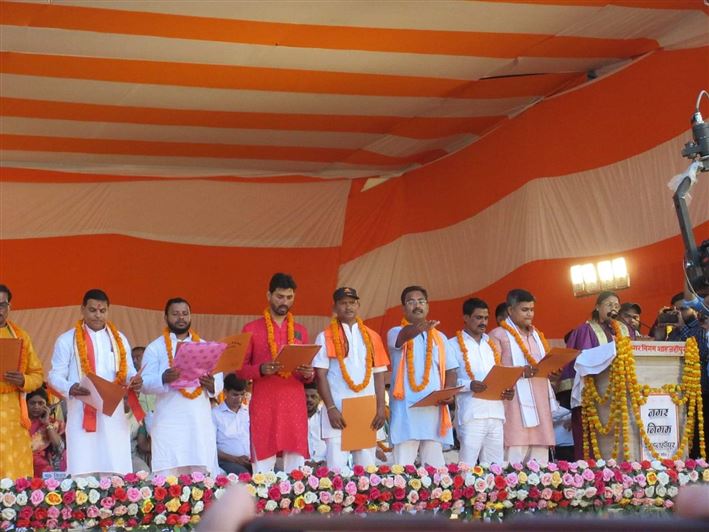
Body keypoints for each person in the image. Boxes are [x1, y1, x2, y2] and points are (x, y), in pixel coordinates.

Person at [48, 289, 141, 476]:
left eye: (102, 310)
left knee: (115, 468)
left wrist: (134, 380)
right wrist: (70, 387)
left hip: (113, 413)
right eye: (92, 310)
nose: (98, 315)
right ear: (82, 309)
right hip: (82, 410)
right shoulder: (67, 340)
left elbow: (128, 370)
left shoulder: (119, 339)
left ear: (108, 310)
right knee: (84, 468)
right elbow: (54, 375)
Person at [236, 273, 314, 473]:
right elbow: (240, 370)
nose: (284, 302)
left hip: (294, 404)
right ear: (268, 295)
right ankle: (263, 504)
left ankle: (296, 505)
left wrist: (308, 373)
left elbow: (308, 374)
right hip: (265, 404)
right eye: (280, 296)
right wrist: (260, 369)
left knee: (296, 466)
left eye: (289, 297)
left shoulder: (300, 330)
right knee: (263, 466)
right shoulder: (251, 329)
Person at [142, 297, 222, 476]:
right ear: (166, 317)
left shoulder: (205, 346)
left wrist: (212, 385)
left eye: (185, 314)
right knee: (168, 477)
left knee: (200, 477)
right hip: (169, 423)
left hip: (198, 423)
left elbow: (219, 382)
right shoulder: (155, 348)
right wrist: (163, 378)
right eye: (175, 314)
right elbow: (145, 384)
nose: (181, 318)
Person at [313, 287, 389, 469]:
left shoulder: (373, 336)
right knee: (336, 471)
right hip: (338, 411)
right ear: (335, 307)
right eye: (343, 303)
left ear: (358, 305)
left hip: (366, 411)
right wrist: (331, 408)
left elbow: (379, 374)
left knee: (367, 472)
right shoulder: (325, 337)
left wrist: (380, 408)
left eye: (352, 302)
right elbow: (320, 376)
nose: (348, 307)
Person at [387, 286, 458, 467]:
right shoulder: (395, 331)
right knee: (402, 467)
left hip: (433, 409)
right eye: (411, 302)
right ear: (403, 309)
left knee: (435, 468)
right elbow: (404, 335)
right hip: (406, 410)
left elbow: (451, 369)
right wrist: (420, 328)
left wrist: (448, 393)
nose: (417, 305)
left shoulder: (440, 336)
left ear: (427, 306)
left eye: (421, 301)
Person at [563, 291, 634, 459]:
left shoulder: (625, 330)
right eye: (609, 305)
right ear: (597, 307)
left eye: (616, 306)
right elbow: (580, 359)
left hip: (621, 395)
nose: (613, 308)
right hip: (593, 395)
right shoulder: (585, 330)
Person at [489, 289, 556, 464]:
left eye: (532, 309)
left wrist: (552, 369)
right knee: (513, 460)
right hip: (514, 406)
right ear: (510, 310)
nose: (529, 314)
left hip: (540, 404)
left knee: (540, 463)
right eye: (524, 310)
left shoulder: (537, 336)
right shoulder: (498, 335)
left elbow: (542, 363)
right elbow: (493, 372)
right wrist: (520, 371)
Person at [447, 298, 514, 465]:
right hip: (472, 414)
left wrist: (506, 389)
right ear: (466, 318)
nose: (483, 322)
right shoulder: (452, 345)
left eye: (485, 318)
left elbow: (499, 374)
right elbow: (447, 382)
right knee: (467, 467)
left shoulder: (490, 344)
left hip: (496, 414)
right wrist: (470, 385)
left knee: (495, 468)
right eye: (478, 318)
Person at [0, 284, 45, 479]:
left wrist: (23, 380)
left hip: (13, 418)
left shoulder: (20, 336)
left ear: (9, 307)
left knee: (14, 471)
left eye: (2, 305)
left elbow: (38, 375)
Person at [212, 374, 251, 475]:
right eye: (235, 395)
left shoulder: (249, 411)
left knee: (276, 474)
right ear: (225, 392)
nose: (239, 399)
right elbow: (211, 447)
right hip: (226, 461)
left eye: (242, 394)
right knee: (243, 474)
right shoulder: (215, 414)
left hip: (251, 461)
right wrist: (235, 459)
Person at [27, 386, 66, 477]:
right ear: (26, 404)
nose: (36, 407)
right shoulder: (19, 423)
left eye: (41, 403)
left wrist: (47, 423)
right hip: (22, 465)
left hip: (45, 469)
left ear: (47, 405)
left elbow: (59, 447)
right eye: (32, 403)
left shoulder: (55, 424)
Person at [304, 382, 327, 464]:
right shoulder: (293, 419)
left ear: (320, 398)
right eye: (305, 396)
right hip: (301, 464)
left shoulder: (327, 416)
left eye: (313, 396)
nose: (309, 399)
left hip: (324, 463)